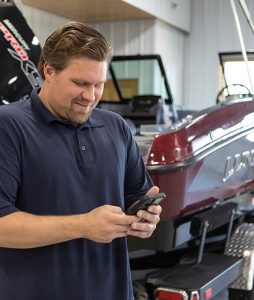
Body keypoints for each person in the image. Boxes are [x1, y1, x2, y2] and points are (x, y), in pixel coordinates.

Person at [0, 21, 162, 300]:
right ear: (48, 71)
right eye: (80, 83)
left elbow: (137, 197)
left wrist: (146, 219)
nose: (90, 96)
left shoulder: (117, 127)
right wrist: (83, 226)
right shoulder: (9, 127)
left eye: (99, 85)